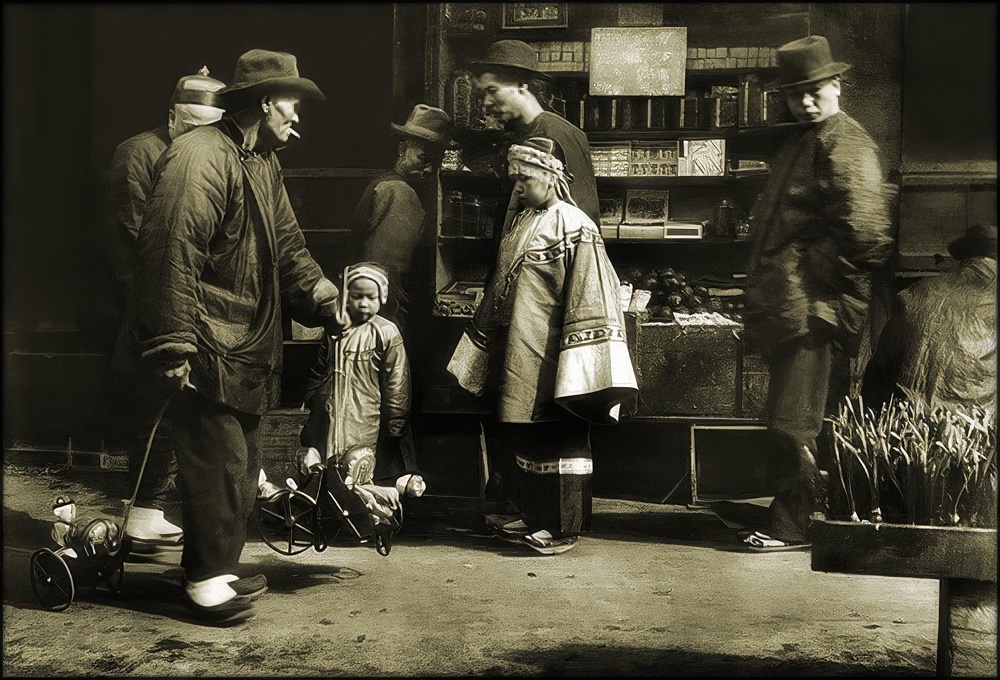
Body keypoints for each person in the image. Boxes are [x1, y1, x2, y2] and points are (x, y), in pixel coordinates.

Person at [129, 49, 341, 624]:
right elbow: (168, 250)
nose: (298, 119)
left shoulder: (260, 160)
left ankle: (215, 566)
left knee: (242, 465)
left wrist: (323, 297)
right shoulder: (199, 157)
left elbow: (289, 244)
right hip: (206, 341)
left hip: (244, 344)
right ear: (267, 101)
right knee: (219, 464)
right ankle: (203, 582)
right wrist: (174, 342)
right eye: (293, 105)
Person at [738, 35, 895, 550]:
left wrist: (819, 284)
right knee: (795, 417)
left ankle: (794, 524)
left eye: (815, 89)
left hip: (815, 309)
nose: (805, 101)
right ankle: (800, 514)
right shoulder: (806, 139)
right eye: (795, 93)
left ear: (836, 84)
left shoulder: (844, 142)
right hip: (794, 305)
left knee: (794, 421)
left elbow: (868, 235)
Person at [447, 137, 637, 555]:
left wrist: (582, 354)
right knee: (527, 436)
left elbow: (592, 291)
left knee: (563, 436)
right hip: (521, 349)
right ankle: (535, 515)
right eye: (514, 179)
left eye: (525, 179)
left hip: (559, 352)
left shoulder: (576, 225)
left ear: (551, 176)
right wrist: (485, 337)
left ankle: (563, 526)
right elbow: (501, 286)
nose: (518, 187)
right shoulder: (523, 223)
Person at [106, 66, 227, 542]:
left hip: (196, 297)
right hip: (149, 298)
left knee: (189, 404)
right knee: (154, 400)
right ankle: (142, 509)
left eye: (209, 131)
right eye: (190, 127)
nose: (199, 139)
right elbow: (134, 238)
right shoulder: (138, 154)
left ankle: (155, 507)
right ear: (171, 118)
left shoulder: (213, 157)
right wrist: (162, 310)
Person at [294, 262, 422, 525]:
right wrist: (314, 397)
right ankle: (332, 513)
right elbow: (320, 367)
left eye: (370, 297)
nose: (363, 303)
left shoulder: (386, 332)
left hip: (368, 413)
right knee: (329, 459)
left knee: (362, 462)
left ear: (382, 298)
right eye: (357, 296)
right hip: (332, 412)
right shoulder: (335, 330)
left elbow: (397, 379)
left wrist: (396, 418)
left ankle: (370, 514)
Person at [863, 224, 996, 413]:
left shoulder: (918, 292)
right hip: (976, 430)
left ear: (965, 254)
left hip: (910, 426)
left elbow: (878, 371)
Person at [471, 39, 600, 227]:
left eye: (494, 91)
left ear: (522, 87)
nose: (486, 104)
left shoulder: (556, 135)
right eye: (484, 96)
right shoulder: (522, 133)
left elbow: (578, 216)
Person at [357, 104, 452, 335]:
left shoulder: (392, 185)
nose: (429, 169)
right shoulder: (398, 192)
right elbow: (388, 271)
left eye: (435, 161)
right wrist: (391, 325)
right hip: (388, 312)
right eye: (423, 158)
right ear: (403, 149)